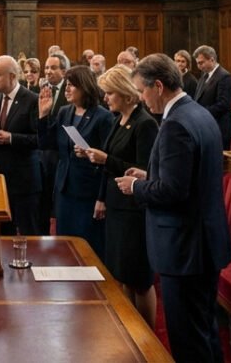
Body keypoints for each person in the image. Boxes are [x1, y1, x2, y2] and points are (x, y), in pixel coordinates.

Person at [116, 54, 231, 363]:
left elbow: (173, 191)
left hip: (184, 247)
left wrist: (136, 187)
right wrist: (150, 175)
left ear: (158, 86)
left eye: (142, 90)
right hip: (204, 241)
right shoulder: (198, 113)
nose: (141, 98)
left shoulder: (175, 125)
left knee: (188, 341)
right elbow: (189, 177)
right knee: (205, 331)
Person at [79, 65, 158, 324]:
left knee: (139, 280)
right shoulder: (118, 119)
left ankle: (147, 336)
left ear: (125, 93)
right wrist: (96, 162)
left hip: (134, 210)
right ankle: (130, 329)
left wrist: (106, 159)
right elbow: (110, 162)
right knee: (122, 276)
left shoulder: (145, 123)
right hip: (116, 206)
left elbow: (144, 170)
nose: (105, 98)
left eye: (110, 93)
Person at [39, 64, 112, 257]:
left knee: (88, 247)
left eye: (72, 85)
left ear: (84, 87)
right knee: (65, 245)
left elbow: (109, 161)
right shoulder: (65, 111)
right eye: (66, 85)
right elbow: (47, 143)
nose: (67, 89)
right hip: (64, 190)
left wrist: (102, 197)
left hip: (88, 192)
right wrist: (43, 115)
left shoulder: (103, 117)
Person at [0, 55, 41, 235]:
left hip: (24, 181)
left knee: (29, 233)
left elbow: (40, 139)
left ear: (12, 76)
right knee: (2, 234)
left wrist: (12, 138)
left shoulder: (33, 100)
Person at [35, 52, 71, 235]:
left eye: (53, 68)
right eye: (46, 67)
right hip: (43, 154)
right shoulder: (40, 90)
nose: (48, 71)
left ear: (63, 71)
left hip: (61, 155)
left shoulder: (69, 91)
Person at [192, 45, 231, 149]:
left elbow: (224, 104)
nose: (199, 66)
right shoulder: (204, 75)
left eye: (201, 63)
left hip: (219, 127)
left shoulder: (224, 77)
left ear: (211, 59)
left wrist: (201, 113)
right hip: (206, 125)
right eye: (197, 63)